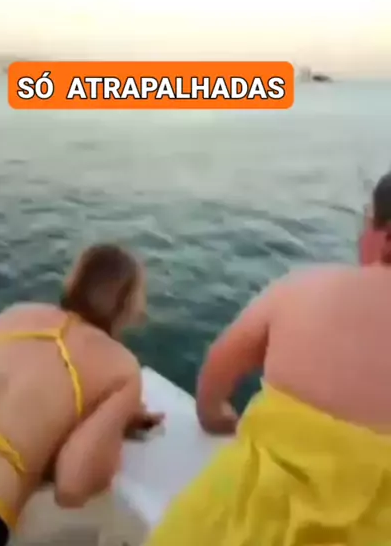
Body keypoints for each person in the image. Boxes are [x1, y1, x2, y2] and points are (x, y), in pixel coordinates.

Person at [145, 171, 391, 546]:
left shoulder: (302, 289)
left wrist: (213, 415)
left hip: (251, 520)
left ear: (384, 235)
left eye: (365, 219)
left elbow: (217, 370)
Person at [0, 243, 163, 545]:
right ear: (129, 306)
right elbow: (72, 487)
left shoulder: (15, 314)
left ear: (73, 280)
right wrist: (114, 424)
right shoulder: (122, 367)